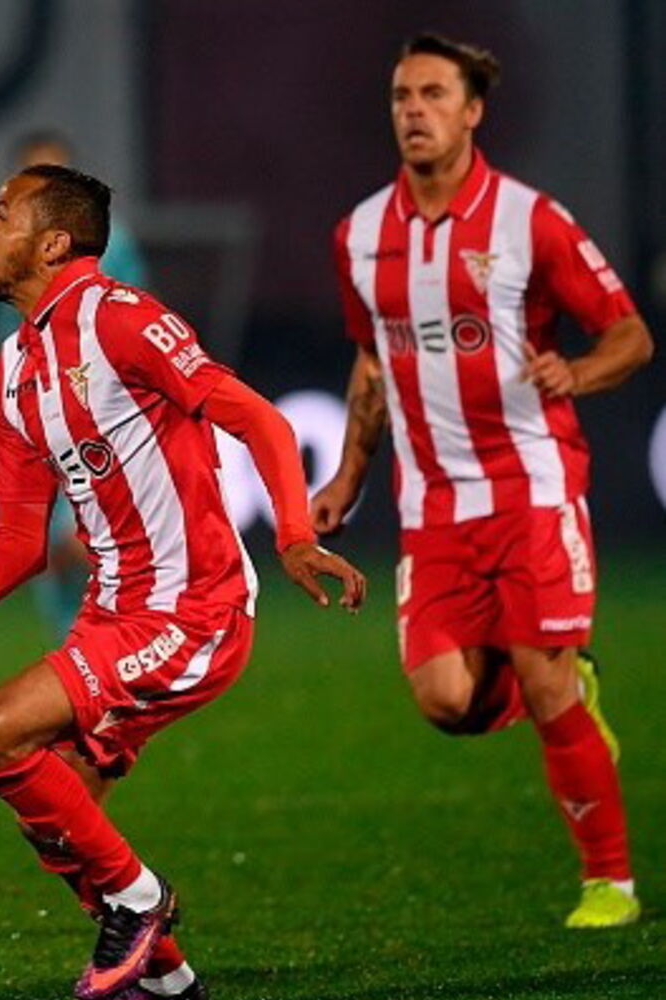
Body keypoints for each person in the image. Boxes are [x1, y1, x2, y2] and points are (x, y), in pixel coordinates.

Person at [0, 164, 365, 1000]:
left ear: (52, 243)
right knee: (58, 820)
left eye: (1, 215)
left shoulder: (123, 319)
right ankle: (169, 983)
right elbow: (18, 542)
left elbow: (260, 419)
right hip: (111, 616)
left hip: (193, 609)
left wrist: (293, 534)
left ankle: (141, 901)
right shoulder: (14, 368)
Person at [314, 34, 654, 929]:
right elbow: (371, 363)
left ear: (473, 112)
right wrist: (348, 474)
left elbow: (629, 335)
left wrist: (577, 373)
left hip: (532, 488)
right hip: (431, 504)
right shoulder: (359, 236)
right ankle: (562, 683)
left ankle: (609, 883)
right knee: (447, 701)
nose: (413, 111)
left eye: (434, 94)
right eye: (402, 96)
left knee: (543, 685)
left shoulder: (529, 220)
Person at [0, 129, 151, 643]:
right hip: (31, 413)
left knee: (80, 541)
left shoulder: (114, 242)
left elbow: (136, 319)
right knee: (43, 546)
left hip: (96, 411)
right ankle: (86, 654)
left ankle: (114, 650)